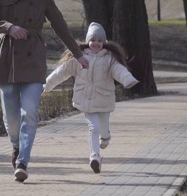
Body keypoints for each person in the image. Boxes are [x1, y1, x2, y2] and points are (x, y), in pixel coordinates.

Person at [0, 0, 89, 183]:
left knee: (29, 112)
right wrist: (8, 27)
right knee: (11, 117)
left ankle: (23, 161)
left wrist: (78, 54)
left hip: (33, 57)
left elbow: (60, 25)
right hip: (7, 58)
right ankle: (17, 146)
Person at [43, 22, 139, 174]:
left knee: (104, 131)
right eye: (93, 40)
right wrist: (47, 85)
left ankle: (106, 137)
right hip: (85, 99)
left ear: (104, 42)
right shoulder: (78, 57)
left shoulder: (109, 58)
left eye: (100, 40)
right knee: (93, 128)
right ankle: (95, 157)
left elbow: (119, 70)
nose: (96, 43)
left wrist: (128, 80)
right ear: (88, 41)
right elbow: (62, 72)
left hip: (104, 99)